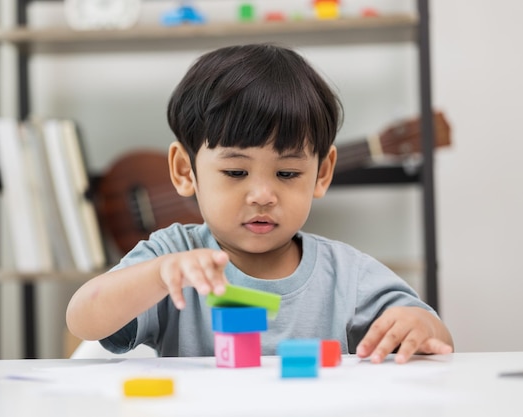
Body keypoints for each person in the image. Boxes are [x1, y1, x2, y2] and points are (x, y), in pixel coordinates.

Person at [66, 43, 453, 364]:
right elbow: (83, 319)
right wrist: (158, 275)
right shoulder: (172, 257)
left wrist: (419, 326)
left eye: (287, 174)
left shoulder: (346, 275)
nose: (263, 195)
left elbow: (436, 335)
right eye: (236, 173)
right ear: (185, 170)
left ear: (322, 173)